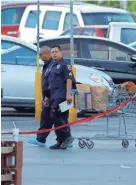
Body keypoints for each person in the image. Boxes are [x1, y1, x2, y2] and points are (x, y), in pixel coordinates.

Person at [49, 45, 75, 149]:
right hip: (54, 96)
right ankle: (61, 140)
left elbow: (69, 80)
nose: (54, 54)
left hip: (62, 96)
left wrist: (68, 94)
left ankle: (67, 137)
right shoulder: (53, 66)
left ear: (61, 53)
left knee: (58, 116)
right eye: (52, 52)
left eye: (56, 51)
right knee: (58, 118)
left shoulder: (65, 65)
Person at [28, 46, 54, 147]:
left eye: (41, 54)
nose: (39, 57)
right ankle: (64, 138)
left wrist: (48, 96)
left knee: (49, 118)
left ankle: (41, 139)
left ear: (47, 54)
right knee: (52, 118)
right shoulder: (47, 65)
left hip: (52, 97)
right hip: (49, 96)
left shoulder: (52, 66)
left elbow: (52, 83)